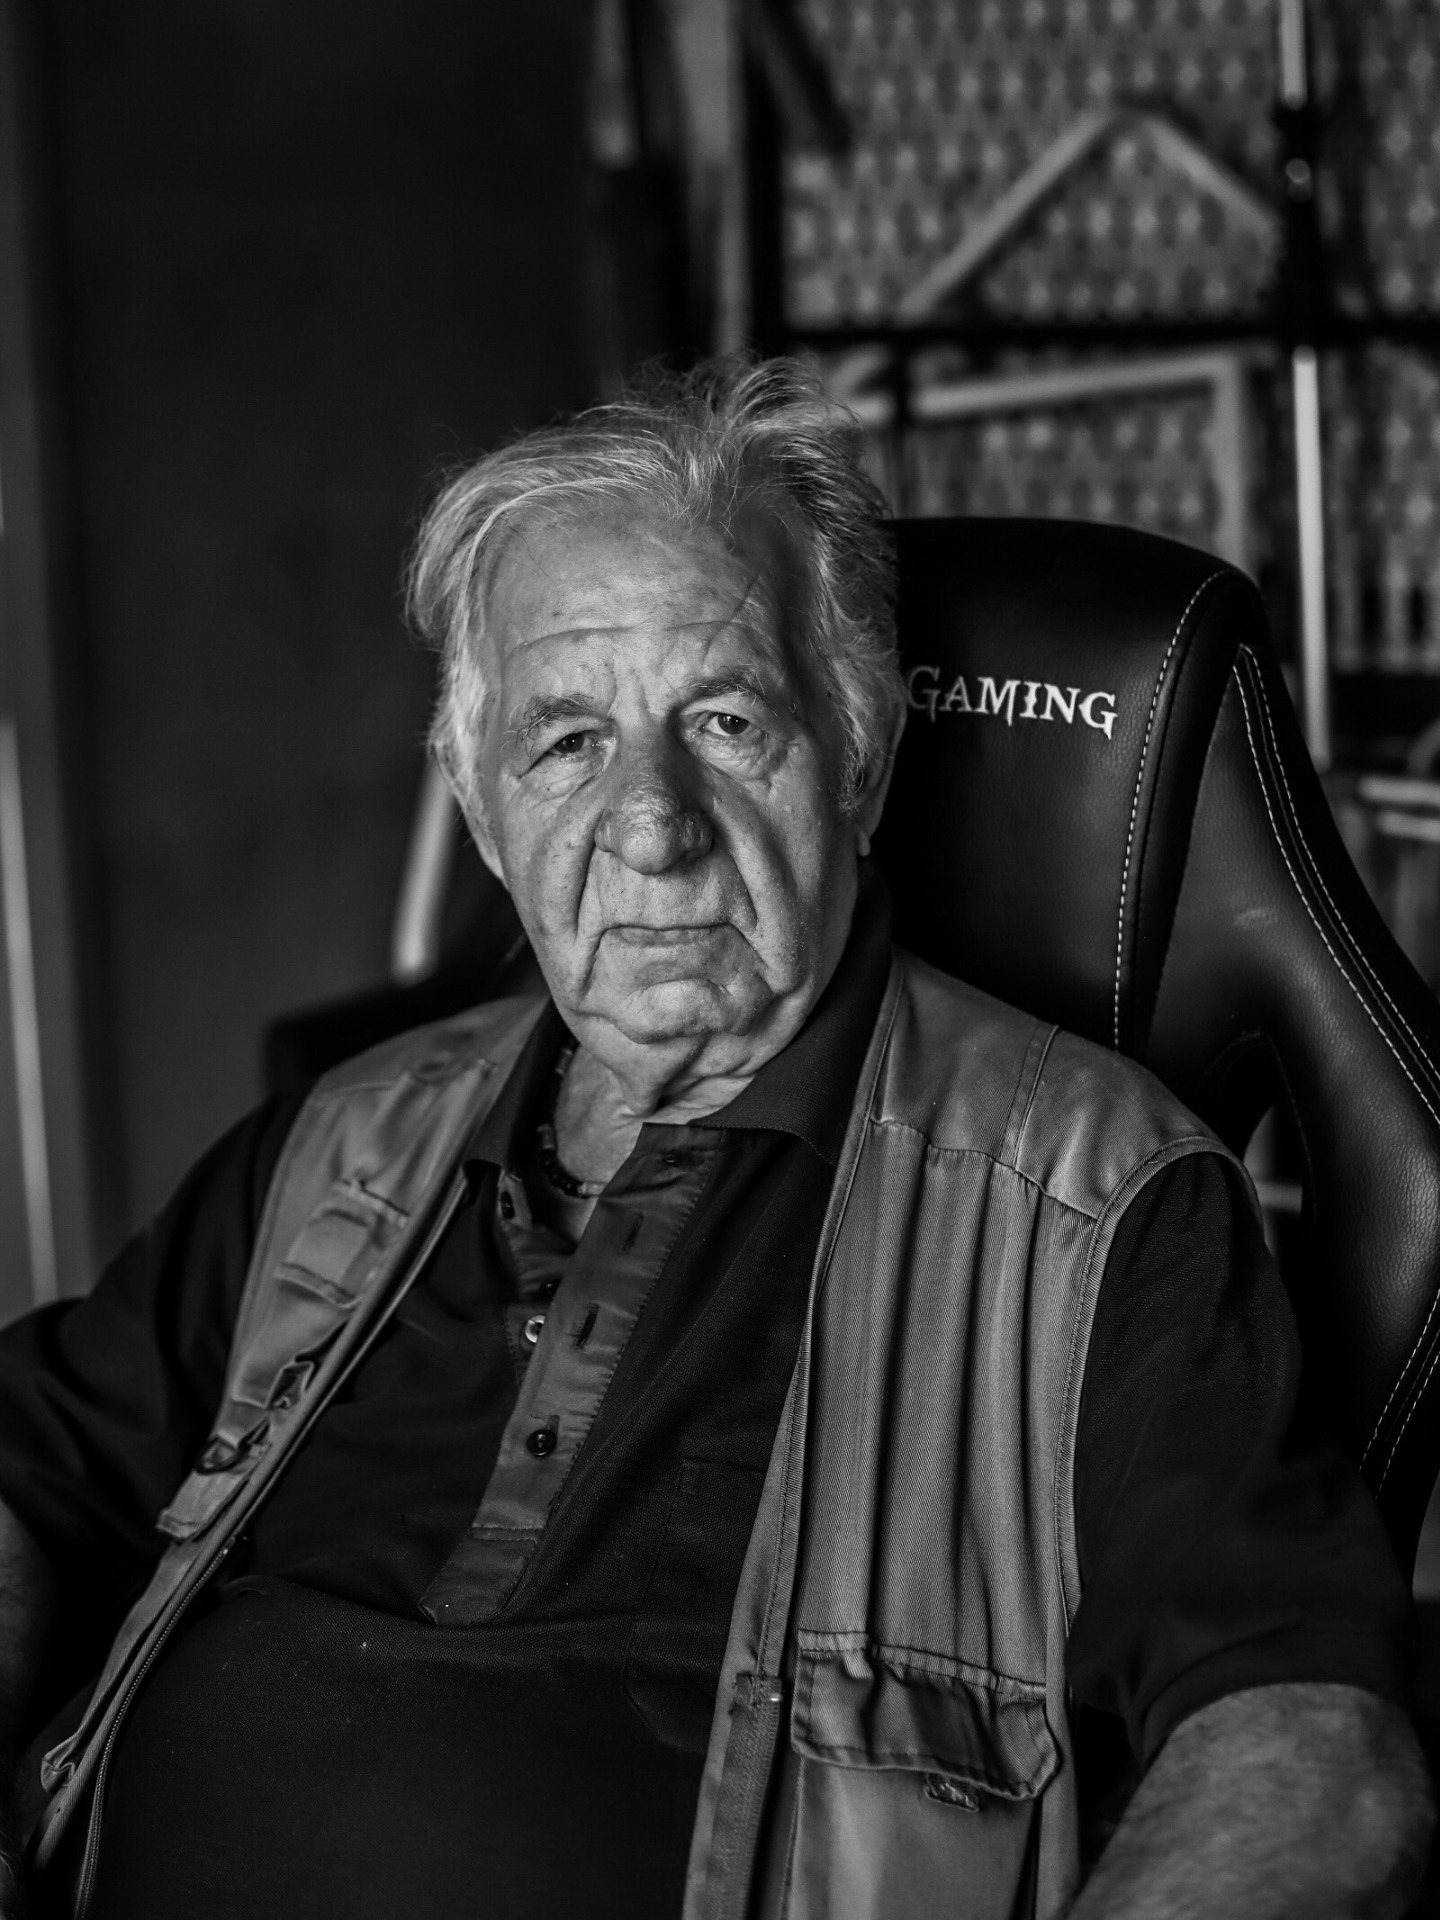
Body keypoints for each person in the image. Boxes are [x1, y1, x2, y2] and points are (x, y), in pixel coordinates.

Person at [0, 358, 1428, 1920]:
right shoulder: (344, 1140)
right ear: (484, 816)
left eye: (727, 720)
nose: (652, 824)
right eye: (567, 743)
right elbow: (31, 1473)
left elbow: (1311, 1756)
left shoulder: (1095, 1205)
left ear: (860, 762)